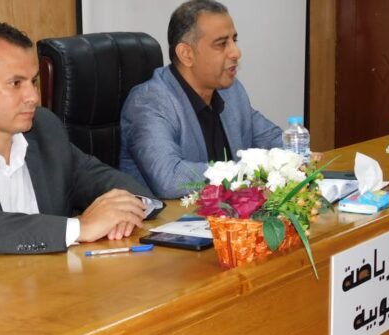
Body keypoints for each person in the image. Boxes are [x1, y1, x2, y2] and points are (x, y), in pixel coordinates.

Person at [0, 22, 155, 258]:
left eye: (33, 82)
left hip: (46, 284)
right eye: (16, 83)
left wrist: (127, 208)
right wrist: (78, 228)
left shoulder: (44, 128)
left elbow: (101, 178)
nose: (33, 97)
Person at [119, 0, 282, 199]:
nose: (236, 53)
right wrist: (246, 172)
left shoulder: (231, 91)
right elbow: (169, 179)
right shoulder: (150, 101)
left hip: (225, 213)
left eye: (234, 40)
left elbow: (273, 139)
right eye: (222, 44)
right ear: (186, 54)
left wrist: (296, 156)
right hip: (169, 217)